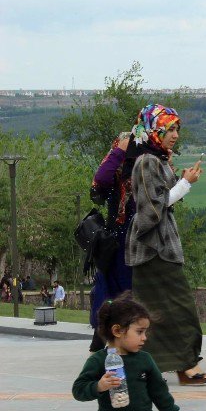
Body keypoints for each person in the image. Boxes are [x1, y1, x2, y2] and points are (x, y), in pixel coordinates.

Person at [125, 104, 206, 385]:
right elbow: (151, 211)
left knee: (160, 312)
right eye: (169, 129)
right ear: (153, 130)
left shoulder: (156, 160)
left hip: (160, 250)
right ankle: (184, 365)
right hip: (154, 250)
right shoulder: (147, 162)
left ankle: (171, 365)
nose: (175, 134)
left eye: (176, 129)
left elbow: (162, 199)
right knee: (178, 308)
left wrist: (181, 180)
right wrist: (185, 184)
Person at [88, 132, 137, 352]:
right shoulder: (114, 172)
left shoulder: (142, 167)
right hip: (115, 243)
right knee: (109, 292)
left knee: (131, 293)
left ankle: (116, 343)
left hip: (137, 241)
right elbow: (101, 179)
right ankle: (103, 341)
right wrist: (119, 151)